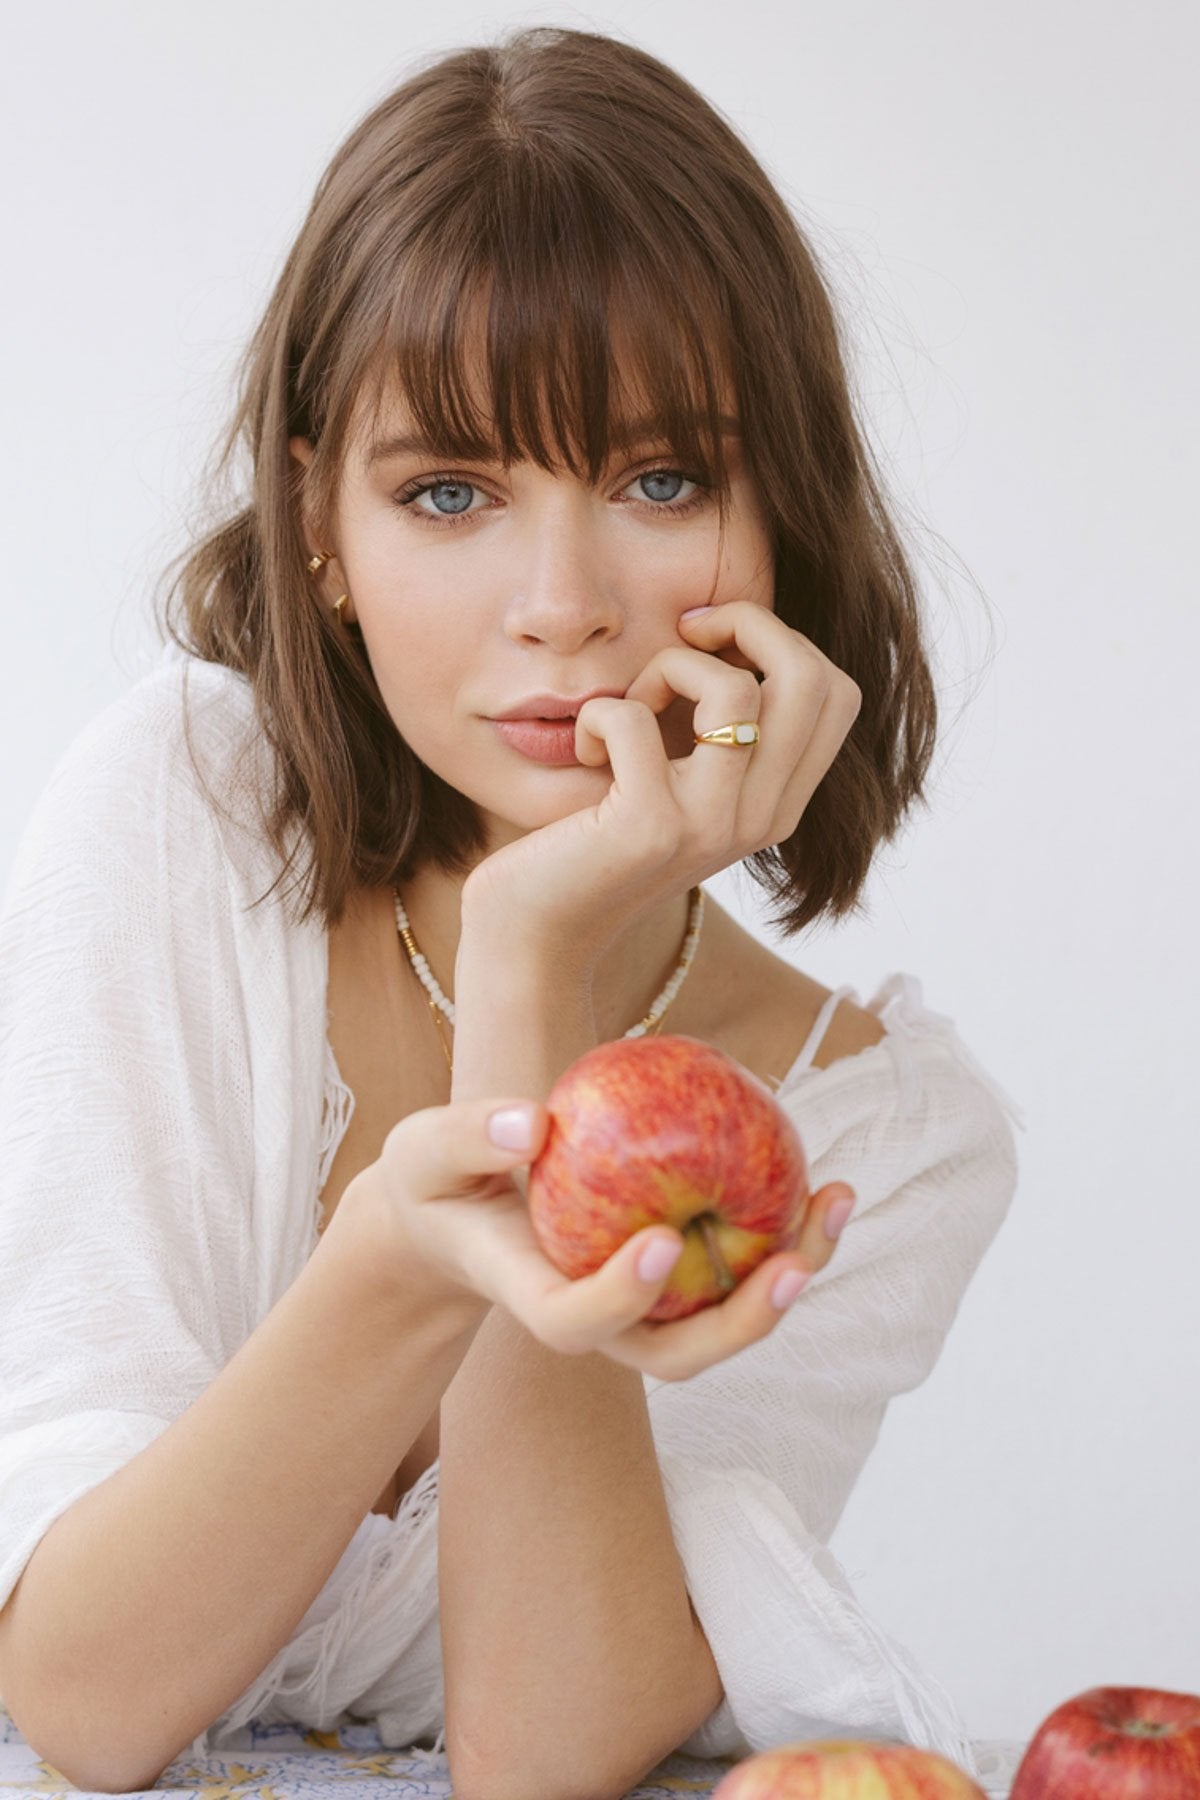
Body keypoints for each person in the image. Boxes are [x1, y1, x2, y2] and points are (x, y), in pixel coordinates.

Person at [0, 24, 1024, 1798]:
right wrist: (409, 1250)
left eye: (661, 481)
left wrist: (531, 958)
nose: (562, 606)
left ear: (784, 516)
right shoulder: (179, 811)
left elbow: (547, 1755)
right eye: (451, 493)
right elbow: (84, 1699)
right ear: (318, 522)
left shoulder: (888, 1137)